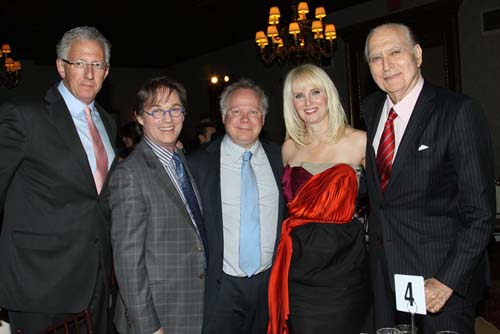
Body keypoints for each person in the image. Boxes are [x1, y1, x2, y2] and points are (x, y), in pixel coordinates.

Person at [362, 22, 496, 333]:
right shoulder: (370, 110)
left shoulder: (458, 111)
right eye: (376, 58)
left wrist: (447, 280)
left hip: (438, 280)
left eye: (395, 51)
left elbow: (479, 213)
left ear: (418, 55)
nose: (387, 65)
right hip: (386, 281)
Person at [0, 26, 117, 333]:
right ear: (61, 66)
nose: (89, 74)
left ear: (106, 71)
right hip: (39, 284)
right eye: (80, 63)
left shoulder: (108, 121)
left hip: (96, 283)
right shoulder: (25, 117)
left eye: (97, 65)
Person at [267, 64, 372, 334]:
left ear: (329, 95)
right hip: (298, 269)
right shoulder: (289, 148)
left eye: (315, 92)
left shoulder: (359, 141)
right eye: (298, 95)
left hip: (345, 268)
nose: (308, 102)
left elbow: (388, 202)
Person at [187, 78, 287, 334]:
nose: (245, 119)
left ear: (263, 118)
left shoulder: (283, 158)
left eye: (253, 112)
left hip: (269, 284)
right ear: (223, 116)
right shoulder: (197, 165)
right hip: (220, 289)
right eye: (236, 111)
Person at [109, 75, 207, 334]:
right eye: (157, 111)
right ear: (139, 117)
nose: (168, 118)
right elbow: (128, 260)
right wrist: (148, 326)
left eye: (175, 109)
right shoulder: (129, 174)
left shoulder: (182, 160)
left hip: (192, 304)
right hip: (160, 314)